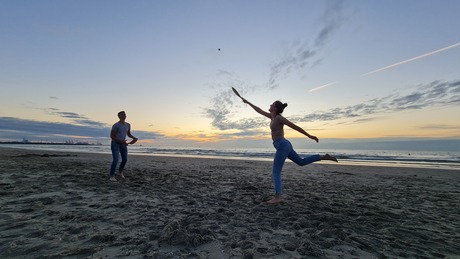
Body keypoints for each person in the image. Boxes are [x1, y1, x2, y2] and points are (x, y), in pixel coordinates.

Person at [242, 98, 337, 204]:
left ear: (275, 108)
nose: (269, 105)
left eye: (272, 104)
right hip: (284, 145)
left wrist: (309, 136)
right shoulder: (272, 117)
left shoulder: (279, 118)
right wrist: (248, 102)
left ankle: (277, 197)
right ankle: (324, 157)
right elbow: (258, 110)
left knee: (276, 172)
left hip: (283, 145)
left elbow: (295, 127)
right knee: (301, 162)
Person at [109, 111, 138, 182]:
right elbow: (112, 136)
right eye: (122, 114)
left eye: (125, 114)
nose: (124, 115)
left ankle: (120, 172)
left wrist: (134, 138)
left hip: (123, 144)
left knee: (125, 159)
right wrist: (121, 141)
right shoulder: (116, 125)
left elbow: (128, 134)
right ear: (119, 116)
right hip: (115, 143)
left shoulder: (128, 125)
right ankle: (112, 175)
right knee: (116, 159)